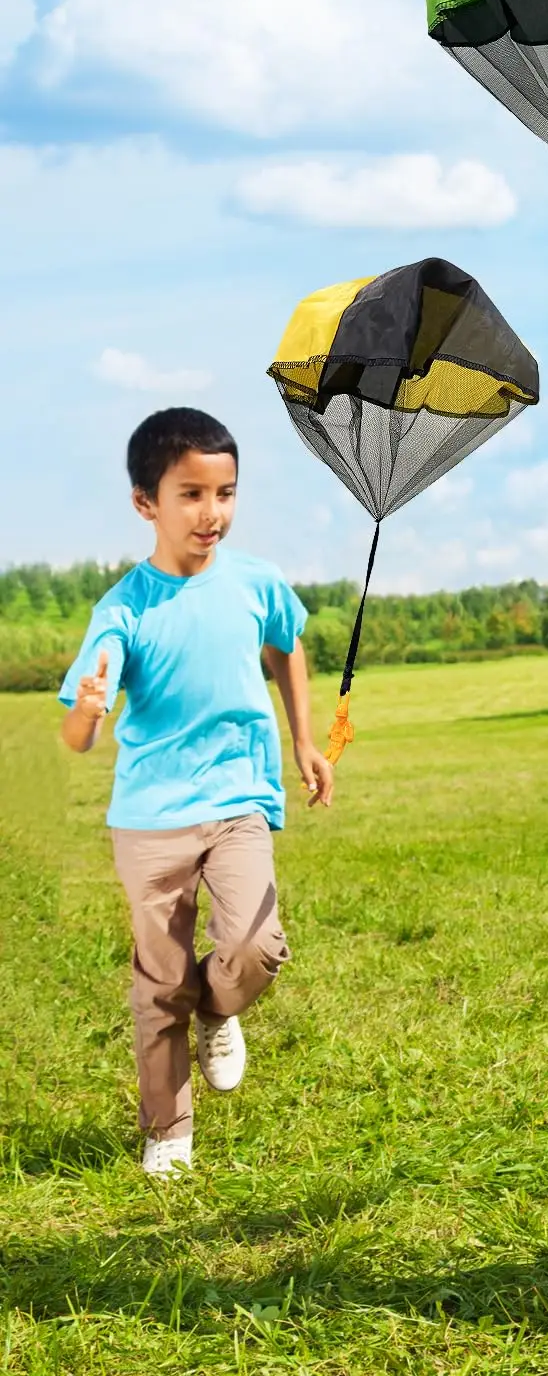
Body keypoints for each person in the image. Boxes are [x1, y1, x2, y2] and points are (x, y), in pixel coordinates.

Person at [59, 408, 334, 1178]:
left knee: (254, 944)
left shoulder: (256, 582)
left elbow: (287, 646)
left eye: (226, 492)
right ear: (147, 503)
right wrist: (86, 712)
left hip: (240, 799)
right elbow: (80, 734)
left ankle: (218, 1007)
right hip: (149, 821)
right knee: (159, 981)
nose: (212, 512)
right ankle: (168, 1131)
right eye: (191, 494)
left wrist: (304, 740)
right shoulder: (122, 609)